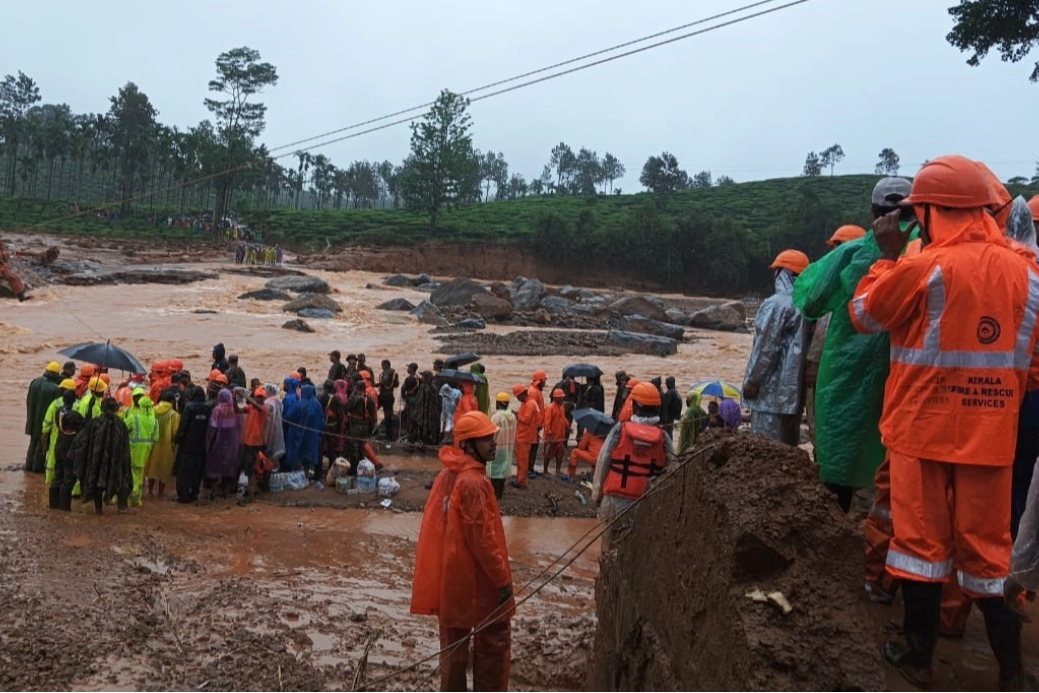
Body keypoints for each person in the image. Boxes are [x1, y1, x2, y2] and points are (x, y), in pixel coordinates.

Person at [850, 155, 1039, 690]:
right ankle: (1013, 674)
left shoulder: (922, 266)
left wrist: (886, 258)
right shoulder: (1029, 272)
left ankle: (917, 657)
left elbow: (863, 314)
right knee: (988, 556)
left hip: (919, 432)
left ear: (935, 211)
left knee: (919, 549)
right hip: (991, 439)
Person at [794, 181, 915, 514]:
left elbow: (813, 300)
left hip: (846, 378)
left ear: (872, 213)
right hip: (911, 384)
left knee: (840, 462)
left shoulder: (854, 253)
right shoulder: (930, 253)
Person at [411, 411, 514, 693]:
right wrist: (503, 581)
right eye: (486, 439)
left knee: (454, 649)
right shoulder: (473, 482)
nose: (494, 444)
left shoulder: (449, 473)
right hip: (477, 580)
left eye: (493, 438)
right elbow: (483, 540)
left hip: (452, 576)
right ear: (468, 444)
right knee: (494, 642)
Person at [742, 249, 810, 446]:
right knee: (788, 449)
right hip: (794, 394)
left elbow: (766, 347)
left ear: (782, 274)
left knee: (765, 450)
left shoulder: (775, 305)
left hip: (769, 394)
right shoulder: (807, 304)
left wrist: (753, 381)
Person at [592, 382, 673, 546]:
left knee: (609, 547)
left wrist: (597, 495)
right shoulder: (664, 438)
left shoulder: (619, 430)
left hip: (614, 500)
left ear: (634, 406)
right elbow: (673, 470)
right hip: (645, 504)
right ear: (657, 408)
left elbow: (603, 461)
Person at [73, 397, 133, 515]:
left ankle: (98, 509)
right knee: (121, 479)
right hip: (116, 460)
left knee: (96, 481)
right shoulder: (121, 424)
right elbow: (125, 445)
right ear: (116, 409)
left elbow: (82, 440)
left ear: (102, 408)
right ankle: (122, 507)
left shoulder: (94, 423)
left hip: (96, 460)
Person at [25, 361, 63, 474]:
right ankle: (37, 468)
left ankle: (28, 465)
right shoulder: (55, 388)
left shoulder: (35, 382)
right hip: (44, 421)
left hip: (32, 418)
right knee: (42, 445)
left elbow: (28, 400)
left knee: (32, 441)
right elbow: (56, 407)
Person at [175, 387, 210, 503]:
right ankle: (194, 493)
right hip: (201, 445)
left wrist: (177, 438)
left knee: (184, 470)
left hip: (187, 445)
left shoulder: (189, 407)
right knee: (197, 470)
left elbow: (183, 425)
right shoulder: (207, 408)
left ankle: (183, 494)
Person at [204, 389, 242, 499]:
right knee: (228, 467)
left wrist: (208, 442)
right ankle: (226, 491)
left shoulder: (217, 410)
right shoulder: (236, 410)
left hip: (219, 442)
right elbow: (239, 427)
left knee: (214, 466)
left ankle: (214, 493)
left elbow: (213, 427)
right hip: (233, 444)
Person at [41, 379, 77, 488]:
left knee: (53, 461)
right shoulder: (78, 404)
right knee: (70, 465)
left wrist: (45, 433)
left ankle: (50, 484)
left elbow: (47, 422)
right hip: (73, 439)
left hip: (56, 437)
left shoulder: (55, 403)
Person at [125, 394, 158, 507]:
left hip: (133, 449)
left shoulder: (134, 418)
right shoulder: (154, 421)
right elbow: (156, 437)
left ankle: (131, 498)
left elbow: (123, 428)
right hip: (146, 451)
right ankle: (138, 498)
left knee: (131, 474)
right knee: (140, 475)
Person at [145, 391, 179, 499]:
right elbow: (175, 432)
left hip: (152, 444)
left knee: (151, 468)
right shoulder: (174, 415)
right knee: (164, 470)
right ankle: (160, 493)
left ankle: (150, 491)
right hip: (166, 446)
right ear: (172, 401)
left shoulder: (152, 410)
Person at [51, 407, 85, 511]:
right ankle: (64, 507)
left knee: (58, 476)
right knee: (68, 479)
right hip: (68, 454)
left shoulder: (61, 435)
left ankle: (53, 504)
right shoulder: (75, 439)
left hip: (59, 449)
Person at [239, 388, 268, 503]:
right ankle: (250, 491)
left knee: (251, 470)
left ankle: (251, 495)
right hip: (247, 442)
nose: (260, 398)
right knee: (247, 468)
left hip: (255, 444)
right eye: (258, 396)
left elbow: (258, 407)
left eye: (261, 397)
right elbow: (237, 410)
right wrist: (234, 398)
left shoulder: (264, 408)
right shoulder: (251, 407)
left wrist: (245, 396)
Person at [489, 392, 516, 499]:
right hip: (508, 447)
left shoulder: (497, 417)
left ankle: (494, 494)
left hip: (497, 446)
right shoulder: (512, 417)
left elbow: (491, 432)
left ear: (498, 403)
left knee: (495, 471)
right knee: (503, 470)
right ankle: (499, 492)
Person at [297, 384, 326, 480]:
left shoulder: (301, 404)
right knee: (313, 452)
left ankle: (304, 473)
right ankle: (311, 472)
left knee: (303, 453)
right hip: (314, 433)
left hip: (303, 433)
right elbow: (322, 419)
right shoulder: (317, 404)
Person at [513, 385, 539, 489]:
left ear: (523, 394)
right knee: (520, 459)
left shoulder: (530, 404)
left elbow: (526, 419)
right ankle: (519, 479)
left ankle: (522, 481)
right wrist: (518, 413)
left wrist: (517, 416)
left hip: (525, 436)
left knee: (523, 460)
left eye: (518, 396)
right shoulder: (527, 403)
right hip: (523, 435)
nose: (517, 399)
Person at [408, 371, 442, 449]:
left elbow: (419, 401)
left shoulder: (423, 387)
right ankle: (429, 442)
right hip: (431, 413)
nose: (422, 378)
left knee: (417, 426)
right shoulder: (434, 387)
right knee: (429, 428)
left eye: (423, 377)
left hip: (422, 412)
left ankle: (415, 444)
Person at [543, 388, 569, 476]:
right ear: (555, 398)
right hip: (551, 437)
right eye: (560, 397)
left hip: (560, 436)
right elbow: (547, 422)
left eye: (562, 397)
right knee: (548, 454)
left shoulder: (562, 407)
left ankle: (558, 470)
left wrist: (567, 426)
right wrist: (549, 433)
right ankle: (545, 470)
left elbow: (563, 418)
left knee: (560, 454)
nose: (562, 399)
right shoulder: (550, 408)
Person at [527, 370, 548, 470]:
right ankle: (529, 468)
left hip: (536, 425)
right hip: (533, 425)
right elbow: (531, 410)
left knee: (533, 446)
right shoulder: (533, 392)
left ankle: (530, 467)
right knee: (532, 447)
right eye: (544, 380)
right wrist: (535, 426)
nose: (545, 383)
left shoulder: (536, 391)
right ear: (540, 380)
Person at [0, 235, 30, 301]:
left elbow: (4, 258)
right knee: (13, 278)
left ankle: (22, 296)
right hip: (1, 268)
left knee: (16, 277)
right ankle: (21, 297)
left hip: (2, 267)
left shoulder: (1, 247)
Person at [263, 383, 286, 464]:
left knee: (269, 446)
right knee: (276, 445)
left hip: (270, 427)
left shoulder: (268, 402)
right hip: (278, 426)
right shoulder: (278, 401)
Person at [378, 360, 399, 442]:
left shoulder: (387, 372)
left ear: (386, 365)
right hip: (390, 395)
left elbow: (384, 382)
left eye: (382, 365)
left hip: (384, 396)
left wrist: (376, 384)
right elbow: (396, 385)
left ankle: (388, 436)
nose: (382, 367)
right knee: (389, 415)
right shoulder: (394, 373)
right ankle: (390, 434)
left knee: (386, 416)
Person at [400, 363, 420, 435]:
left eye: (408, 368)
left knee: (409, 417)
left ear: (411, 369)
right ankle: (414, 433)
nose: (407, 369)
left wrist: (403, 397)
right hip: (417, 400)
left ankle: (409, 433)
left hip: (410, 399)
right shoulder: (418, 378)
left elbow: (403, 389)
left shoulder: (409, 379)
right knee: (415, 417)